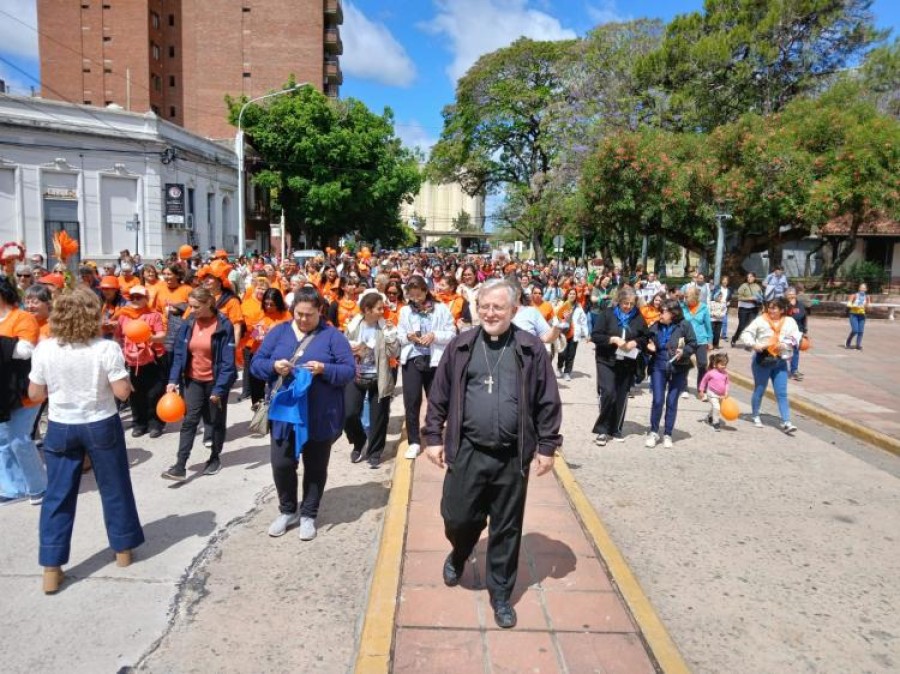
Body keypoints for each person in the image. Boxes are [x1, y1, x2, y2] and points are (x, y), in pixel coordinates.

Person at [422, 278, 562, 630]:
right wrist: (432, 437)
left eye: (498, 307)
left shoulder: (530, 349)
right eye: (483, 306)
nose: (489, 312)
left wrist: (547, 446)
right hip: (468, 450)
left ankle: (500, 592)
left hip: (511, 455)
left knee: (506, 527)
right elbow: (439, 395)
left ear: (514, 310)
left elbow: (547, 400)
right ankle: (459, 550)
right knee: (457, 516)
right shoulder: (462, 345)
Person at [27, 287, 144, 594]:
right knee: (114, 486)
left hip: (61, 425)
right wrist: (127, 381)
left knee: (58, 495)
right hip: (99, 421)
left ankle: (51, 568)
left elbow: (35, 394)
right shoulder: (105, 349)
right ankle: (123, 550)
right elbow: (121, 393)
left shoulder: (45, 348)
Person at [251, 287, 355, 541]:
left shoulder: (332, 336)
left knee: (316, 466)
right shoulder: (279, 332)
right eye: (299, 314)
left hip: (319, 414)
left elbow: (349, 370)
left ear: (320, 311)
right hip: (285, 415)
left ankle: (309, 513)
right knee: (282, 464)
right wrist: (274, 367)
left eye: (309, 314)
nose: (303, 319)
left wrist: (324, 369)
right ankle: (287, 510)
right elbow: (256, 364)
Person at [162, 287, 237, 480]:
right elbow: (179, 354)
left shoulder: (223, 325)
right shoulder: (189, 323)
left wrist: (219, 389)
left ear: (208, 304)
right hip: (193, 381)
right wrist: (172, 380)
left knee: (215, 422)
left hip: (215, 381)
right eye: (190, 305)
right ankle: (180, 466)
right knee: (189, 422)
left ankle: (214, 458)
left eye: (196, 306)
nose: (191, 309)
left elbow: (228, 362)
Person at [0, 276, 47, 505]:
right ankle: (14, 488)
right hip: (2, 392)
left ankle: (38, 486)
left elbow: (24, 351)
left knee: (19, 439)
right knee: (2, 442)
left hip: (25, 390)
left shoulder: (22, 317)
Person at [398, 276, 455, 460]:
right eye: (412, 296)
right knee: (412, 400)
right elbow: (399, 335)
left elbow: (452, 333)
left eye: (419, 295)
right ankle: (414, 441)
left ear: (425, 291)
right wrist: (409, 336)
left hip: (435, 360)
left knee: (436, 400)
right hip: (413, 358)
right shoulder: (406, 311)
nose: (416, 300)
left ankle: (434, 434)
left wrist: (434, 335)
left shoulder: (441, 309)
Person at [343, 292, 399, 468]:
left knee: (379, 418)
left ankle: (375, 452)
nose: (383, 311)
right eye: (379, 308)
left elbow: (394, 353)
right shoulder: (353, 326)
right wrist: (352, 350)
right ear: (367, 309)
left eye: (383, 308)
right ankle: (358, 441)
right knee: (348, 413)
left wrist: (391, 336)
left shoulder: (385, 327)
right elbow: (343, 349)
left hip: (379, 378)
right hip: (356, 376)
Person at [591, 287, 651, 445]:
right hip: (606, 359)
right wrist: (613, 340)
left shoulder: (637, 316)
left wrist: (635, 342)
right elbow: (596, 335)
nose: (628, 307)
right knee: (608, 392)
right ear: (619, 301)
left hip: (627, 362)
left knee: (621, 396)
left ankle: (616, 428)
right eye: (625, 303)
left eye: (631, 304)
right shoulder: (607, 314)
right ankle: (602, 430)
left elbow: (645, 336)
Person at [739, 297, 801, 434]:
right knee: (760, 390)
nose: (770, 310)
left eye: (774, 308)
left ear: (782, 310)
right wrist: (754, 344)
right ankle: (755, 415)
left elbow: (796, 337)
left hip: (780, 361)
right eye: (769, 307)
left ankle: (786, 421)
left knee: (782, 393)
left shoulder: (789, 322)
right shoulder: (761, 320)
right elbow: (746, 334)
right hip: (763, 360)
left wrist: (785, 344)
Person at [644, 299, 697, 448]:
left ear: (673, 313)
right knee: (658, 400)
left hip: (679, 368)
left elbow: (693, 343)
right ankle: (654, 431)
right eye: (660, 311)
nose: (660, 314)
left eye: (663, 311)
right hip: (658, 366)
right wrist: (649, 347)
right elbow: (645, 341)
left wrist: (684, 352)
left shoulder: (684, 325)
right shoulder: (655, 326)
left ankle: (668, 433)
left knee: (672, 401)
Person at [115, 286, 166, 438]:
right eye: (133, 298)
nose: (136, 300)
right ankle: (139, 424)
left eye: (139, 297)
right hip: (131, 360)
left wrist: (149, 338)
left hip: (151, 359)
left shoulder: (154, 315)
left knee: (154, 393)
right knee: (136, 395)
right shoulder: (123, 316)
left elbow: (162, 335)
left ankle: (155, 423)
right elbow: (118, 336)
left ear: (146, 298)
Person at [681, 287, 712, 398]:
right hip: (687, 340)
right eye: (684, 297)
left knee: (703, 364)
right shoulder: (682, 307)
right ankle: (684, 388)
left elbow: (708, 325)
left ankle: (701, 389)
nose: (685, 299)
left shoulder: (703, 308)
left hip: (701, 340)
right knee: (684, 364)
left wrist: (710, 340)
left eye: (687, 297)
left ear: (694, 297)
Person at [555, 288, 589, 381]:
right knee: (562, 353)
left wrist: (586, 334)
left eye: (574, 294)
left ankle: (567, 372)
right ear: (567, 294)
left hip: (574, 333)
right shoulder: (562, 304)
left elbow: (583, 321)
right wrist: (563, 318)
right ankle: (559, 366)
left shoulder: (579, 307)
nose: (572, 295)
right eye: (570, 294)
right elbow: (556, 316)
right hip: (563, 333)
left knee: (571, 354)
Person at [698, 352, 730, 431]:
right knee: (717, 407)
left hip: (721, 395)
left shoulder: (725, 374)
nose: (724, 366)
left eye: (725, 364)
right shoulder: (711, 373)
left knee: (715, 408)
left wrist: (726, 392)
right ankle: (716, 423)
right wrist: (701, 390)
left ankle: (709, 417)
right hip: (711, 393)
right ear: (715, 364)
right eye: (722, 364)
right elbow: (703, 381)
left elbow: (727, 383)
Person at [730, 272, 763, 347]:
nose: (749, 278)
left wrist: (760, 303)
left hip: (754, 308)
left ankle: (748, 342)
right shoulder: (743, 286)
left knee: (751, 325)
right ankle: (735, 338)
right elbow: (738, 297)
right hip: (743, 309)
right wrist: (749, 298)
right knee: (742, 326)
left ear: (754, 278)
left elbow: (760, 297)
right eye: (748, 277)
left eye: (751, 277)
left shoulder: (757, 287)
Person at [784, 287, 807, 380]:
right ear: (786, 295)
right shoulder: (783, 304)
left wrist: (804, 331)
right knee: (785, 351)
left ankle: (794, 370)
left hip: (797, 332)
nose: (791, 295)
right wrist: (789, 306)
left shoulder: (800, 305)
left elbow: (803, 318)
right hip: (785, 331)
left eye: (793, 294)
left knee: (796, 351)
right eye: (789, 294)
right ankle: (782, 370)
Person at [846, 282, 870, 350]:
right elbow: (848, 304)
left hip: (862, 315)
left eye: (864, 288)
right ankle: (848, 342)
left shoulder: (867, 297)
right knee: (855, 330)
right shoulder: (854, 295)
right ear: (859, 288)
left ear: (866, 289)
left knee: (861, 331)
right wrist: (853, 305)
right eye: (861, 287)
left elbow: (868, 307)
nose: (862, 289)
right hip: (853, 314)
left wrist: (867, 306)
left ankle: (858, 345)